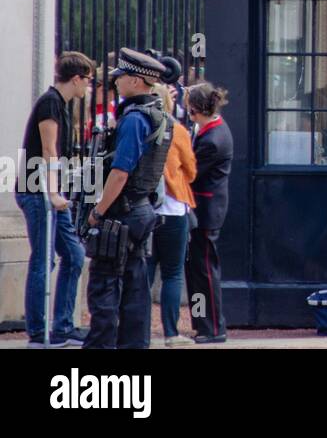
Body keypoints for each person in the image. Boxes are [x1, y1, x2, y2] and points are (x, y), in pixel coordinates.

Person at [83, 48, 173, 350]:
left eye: (120, 77)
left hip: (121, 211)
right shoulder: (158, 115)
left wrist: (98, 212)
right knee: (135, 289)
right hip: (141, 209)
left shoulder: (134, 119)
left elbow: (121, 172)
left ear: (136, 81)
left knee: (105, 286)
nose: (116, 82)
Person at [17, 51, 94, 348]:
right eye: (86, 80)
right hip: (38, 191)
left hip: (48, 191)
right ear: (75, 78)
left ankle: (63, 325)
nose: (88, 86)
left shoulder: (60, 104)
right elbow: (48, 150)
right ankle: (38, 332)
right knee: (43, 259)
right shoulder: (50, 103)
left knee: (74, 255)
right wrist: (52, 192)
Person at [147, 83, 197, 347]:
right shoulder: (178, 131)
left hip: (144, 210)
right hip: (173, 208)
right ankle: (170, 332)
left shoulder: (138, 127)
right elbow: (191, 170)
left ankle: (138, 329)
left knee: (143, 272)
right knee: (173, 273)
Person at [186, 81, 233, 344]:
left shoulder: (212, 141)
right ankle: (201, 324)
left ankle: (213, 328)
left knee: (204, 271)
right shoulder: (211, 129)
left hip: (206, 210)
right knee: (197, 271)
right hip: (204, 208)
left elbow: (191, 172)